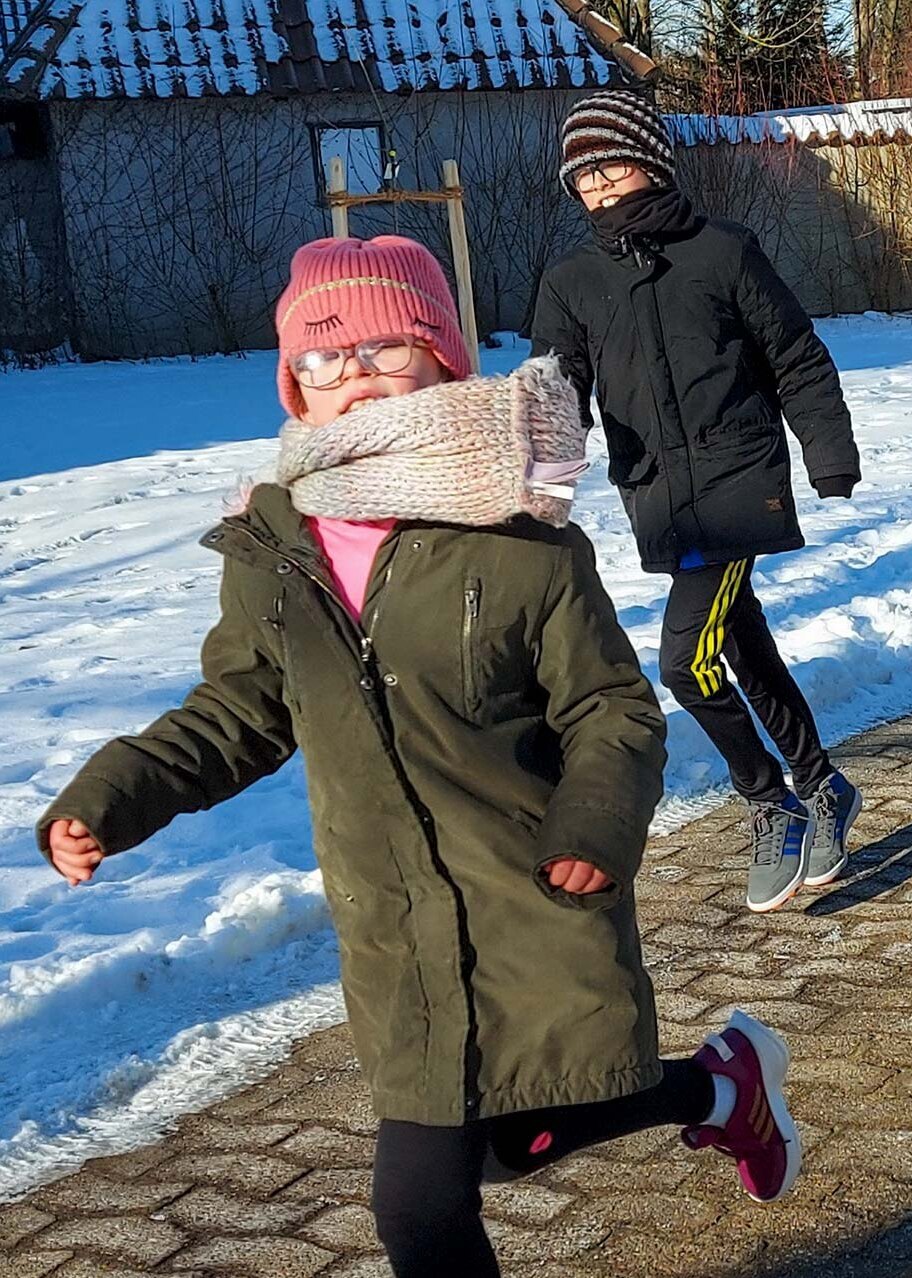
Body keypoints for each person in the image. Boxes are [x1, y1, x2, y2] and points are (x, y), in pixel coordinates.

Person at [38, 235, 803, 1278]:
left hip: (529, 890)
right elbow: (240, 709)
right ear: (293, 385)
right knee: (492, 1149)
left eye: (386, 348)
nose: (353, 374)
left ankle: (716, 1088)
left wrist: (594, 825)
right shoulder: (274, 545)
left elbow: (611, 710)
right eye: (322, 356)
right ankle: (719, 1089)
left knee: (421, 1204)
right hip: (394, 924)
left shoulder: (516, 533)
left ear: (443, 358)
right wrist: (113, 796)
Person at [533, 88, 864, 914]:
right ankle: (822, 784)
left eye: (612, 167)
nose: (600, 187)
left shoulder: (721, 251)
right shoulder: (572, 280)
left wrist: (827, 453)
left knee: (685, 661)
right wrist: (531, 479)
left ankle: (769, 801)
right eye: (584, 177)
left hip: (737, 485)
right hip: (657, 494)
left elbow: (794, 356)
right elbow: (556, 393)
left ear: (650, 162)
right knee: (740, 641)